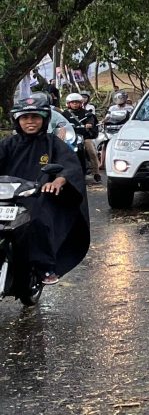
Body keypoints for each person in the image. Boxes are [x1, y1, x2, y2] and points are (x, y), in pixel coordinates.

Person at [0, 94, 90, 288]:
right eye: (25, 118)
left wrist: (58, 180)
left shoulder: (53, 143)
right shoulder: (8, 144)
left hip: (38, 196)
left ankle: (45, 267)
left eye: (35, 117)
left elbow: (69, 166)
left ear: (44, 119)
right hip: (8, 196)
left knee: (38, 221)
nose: (30, 122)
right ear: (17, 120)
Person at [62, 93, 101, 183]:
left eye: (77, 102)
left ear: (81, 103)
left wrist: (89, 124)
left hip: (84, 136)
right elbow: (60, 123)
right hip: (69, 138)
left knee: (91, 150)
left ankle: (96, 173)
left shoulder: (87, 113)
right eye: (73, 102)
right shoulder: (65, 114)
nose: (75, 104)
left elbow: (91, 120)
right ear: (68, 104)